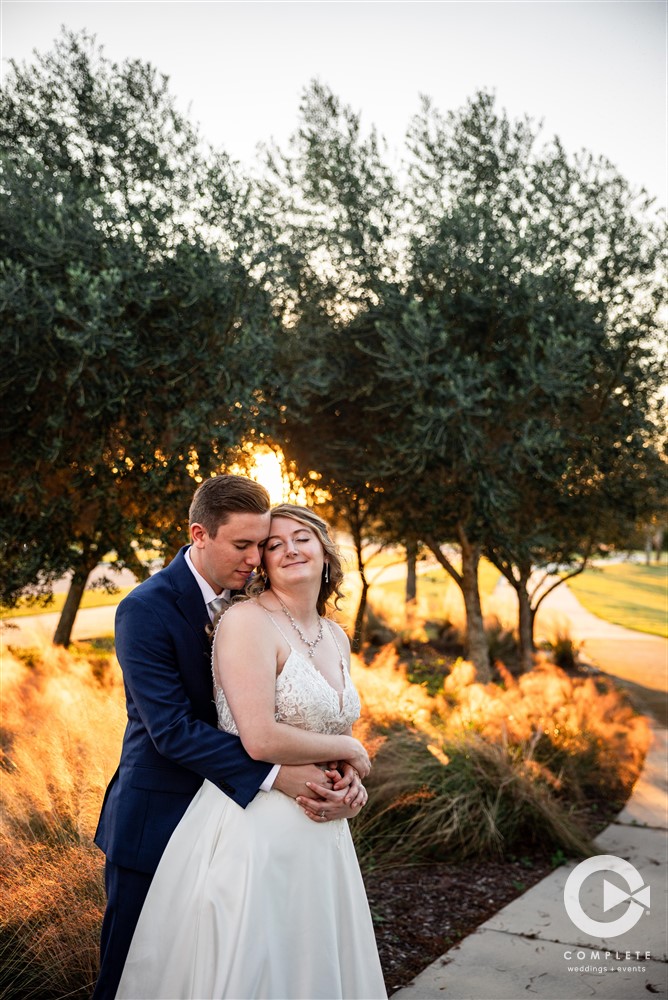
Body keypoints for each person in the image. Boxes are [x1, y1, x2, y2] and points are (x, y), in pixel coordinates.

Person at [93, 478, 366, 999]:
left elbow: (314, 717)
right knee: (139, 972)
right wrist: (275, 773)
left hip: (251, 823)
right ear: (200, 535)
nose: (255, 558)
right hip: (161, 815)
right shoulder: (146, 608)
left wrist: (343, 772)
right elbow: (171, 730)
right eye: (245, 546)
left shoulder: (262, 601)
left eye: (259, 545)